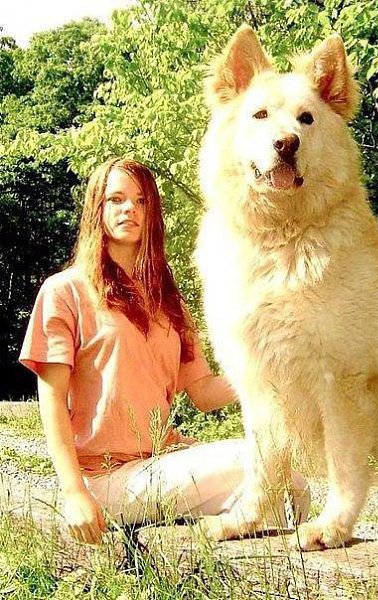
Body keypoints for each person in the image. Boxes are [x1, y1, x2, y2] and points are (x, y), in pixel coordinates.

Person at [19, 157, 310, 545]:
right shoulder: (64, 291)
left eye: (141, 201)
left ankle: (239, 565)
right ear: (96, 209)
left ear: (152, 213)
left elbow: (203, 393)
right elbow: (51, 398)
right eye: (116, 199)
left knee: (289, 478)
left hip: (163, 460)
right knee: (256, 467)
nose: (130, 209)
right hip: (104, 478)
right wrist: (74, 494)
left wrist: (273, 370)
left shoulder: (167, 300)